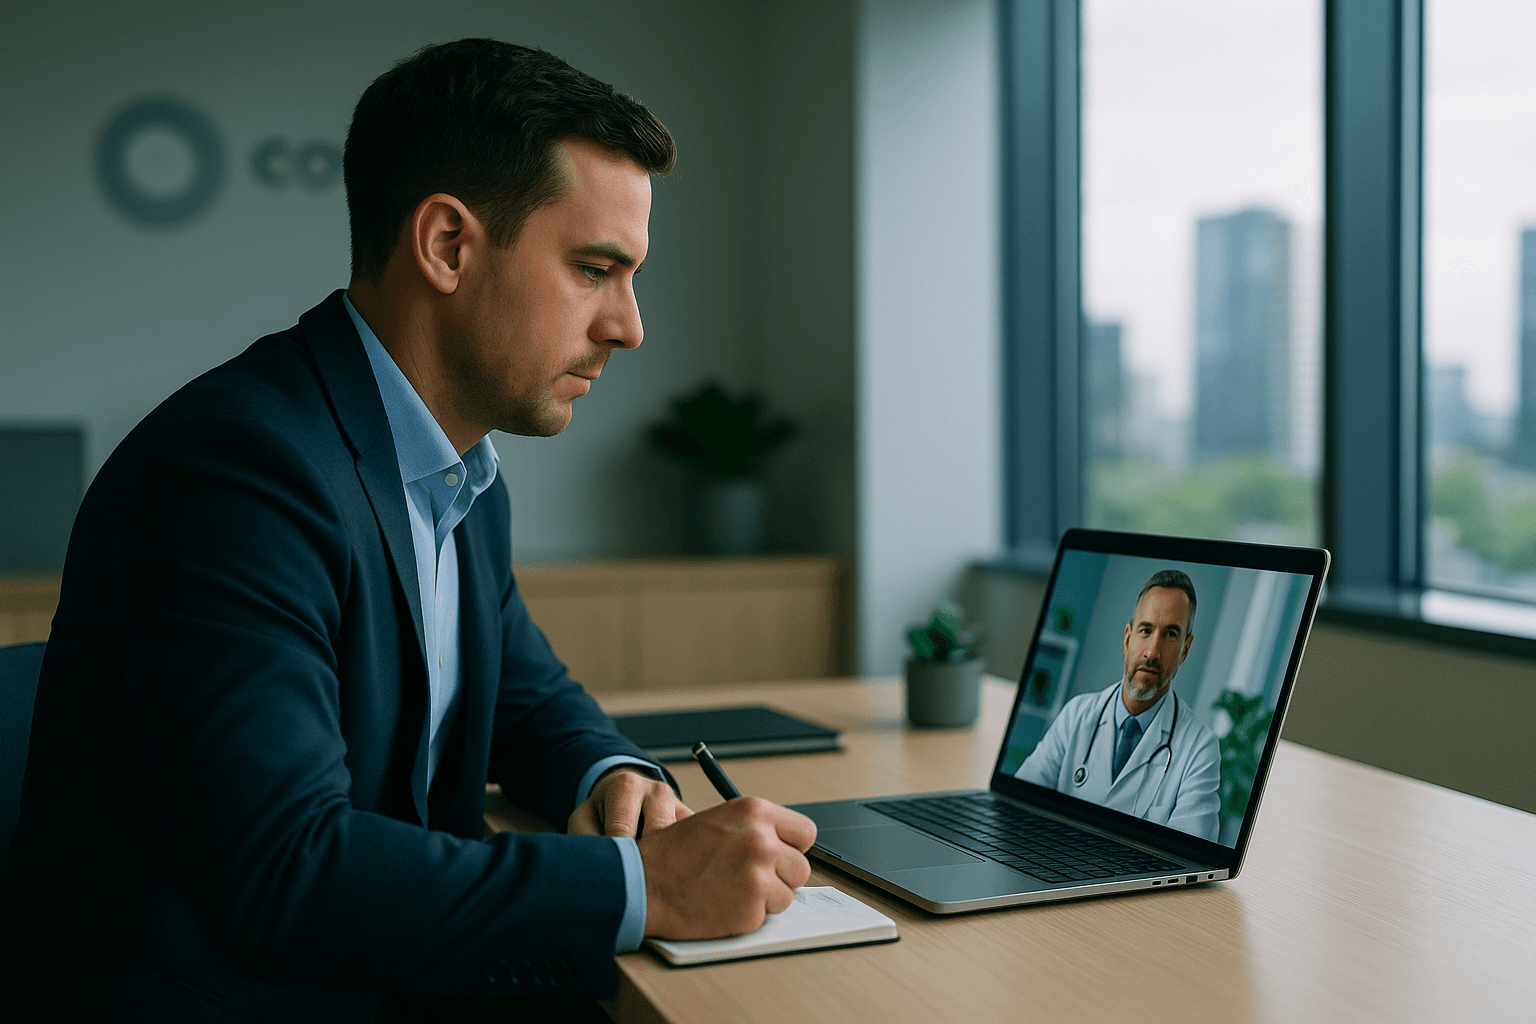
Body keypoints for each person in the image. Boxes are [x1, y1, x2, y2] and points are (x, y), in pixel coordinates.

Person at [1, 39, 815, 1022]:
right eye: (595, 269)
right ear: (446, 246)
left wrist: (614, 773)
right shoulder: (237, 472)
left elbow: (524, 695)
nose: (628, 325)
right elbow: (286, 868)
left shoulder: (457, 469)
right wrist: (646, 887)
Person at [1013, 570, 1221, 841]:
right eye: (1145, 630)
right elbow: (1017, 805)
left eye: (1170, 634)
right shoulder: (1077, 714)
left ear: (1184, 649)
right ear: (1127, 638)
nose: (1152, 652)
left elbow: (1190, 853)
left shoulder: (1200, 749)